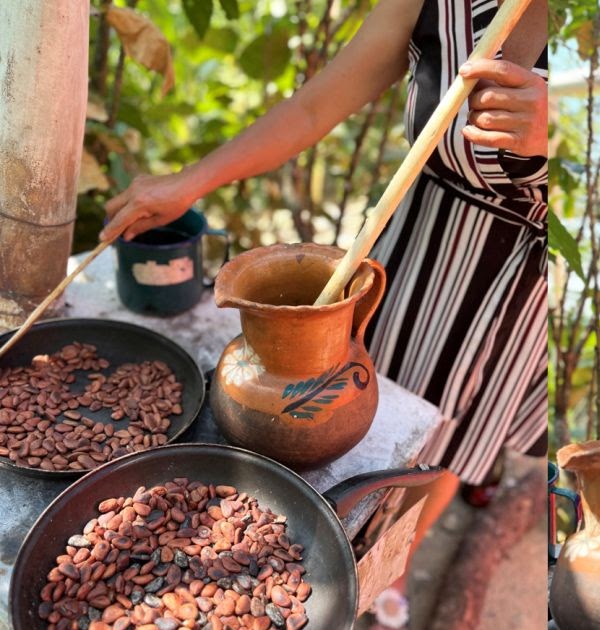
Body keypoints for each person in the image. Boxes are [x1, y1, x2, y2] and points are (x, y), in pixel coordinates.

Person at [100, 0, 547, 625]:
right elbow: (315, 105)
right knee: (378, 401)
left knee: (460, 428)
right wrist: (190, 181)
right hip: (418, 229)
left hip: (523, 275)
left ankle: (402, 570)